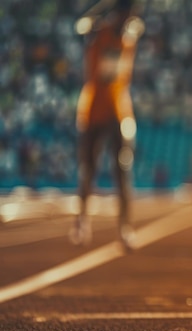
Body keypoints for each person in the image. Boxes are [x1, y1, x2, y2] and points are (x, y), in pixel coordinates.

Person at [68, 0, 144, 249]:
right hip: (93, 110)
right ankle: (81, 221)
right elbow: (80, 24)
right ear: (117, 13)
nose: (129, 19)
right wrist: (105, 6)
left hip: (119, 110)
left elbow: (136, 25)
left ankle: (124, 226)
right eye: (126, 13)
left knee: (122, 169)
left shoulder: (130, 34)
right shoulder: (98, 31)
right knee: (87, 169)